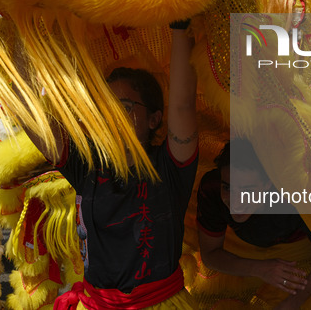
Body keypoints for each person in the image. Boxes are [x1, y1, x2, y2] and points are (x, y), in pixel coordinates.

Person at [19, 26, 200, 309]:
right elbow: (28, 111)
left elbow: (183, 105)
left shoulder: (170, 166)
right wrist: (17, 24)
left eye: (123, 105)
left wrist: (179, 26)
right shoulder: (86, 166)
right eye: (103, 106)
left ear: (154, 119)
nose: (110, 115)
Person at [194, 140, 311, 309]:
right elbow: (210, 254)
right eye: (228, 188)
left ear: (269, 183)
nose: (235, 201)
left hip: (303, 262)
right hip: (244, 257)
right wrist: (259, 269)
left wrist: (294, 302)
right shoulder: (212, 189)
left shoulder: (297, 197)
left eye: (247, 191)